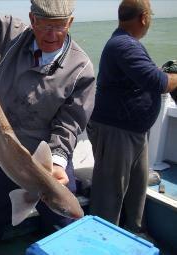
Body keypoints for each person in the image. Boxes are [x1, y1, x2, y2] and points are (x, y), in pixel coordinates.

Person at [0, 0, 96, 253]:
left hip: (47, 155)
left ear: (70, 22)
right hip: (2, 147)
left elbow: (70, 122)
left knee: (63, 221)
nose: (52, 35)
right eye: (44, 26)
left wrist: (57, 160)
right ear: (32, 20)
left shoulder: (81, 68)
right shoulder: (13, 35)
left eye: (60, 26)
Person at [87, 0, 177, 234]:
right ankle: (103, 239)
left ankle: (135, 233)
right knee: (110, 194)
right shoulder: (124, 46)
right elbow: (158, 83)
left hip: (135, 132)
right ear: (144, 18)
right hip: (116, 131)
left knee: (137, 189)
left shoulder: (127, 44)